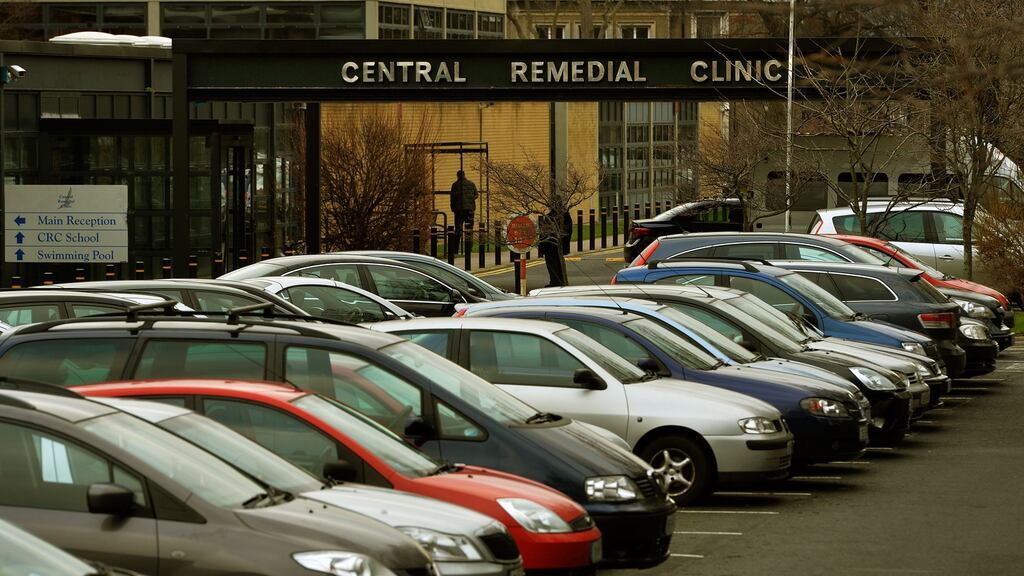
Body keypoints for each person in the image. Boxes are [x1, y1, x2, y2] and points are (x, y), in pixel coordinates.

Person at [539, 207, 573, 287]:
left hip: (550, 246)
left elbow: (544, 233)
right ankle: (559, 281)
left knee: (553, 265)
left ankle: (556, 282)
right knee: (558, 264)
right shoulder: (565, 216)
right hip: (558, 246)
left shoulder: (550, 217)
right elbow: (568, 231)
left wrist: (542, 247)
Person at [450, 170, 478, 254]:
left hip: (459, 211)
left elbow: (452, 198)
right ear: (464, 175)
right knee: (469, 229)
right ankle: (468, 248)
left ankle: (455, 249)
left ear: (457, 176)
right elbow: (476, 195)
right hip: (470, 210)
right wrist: (470, 199)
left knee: (458, 229)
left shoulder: (455, 185)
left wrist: (453, 207)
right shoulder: (471, 184)